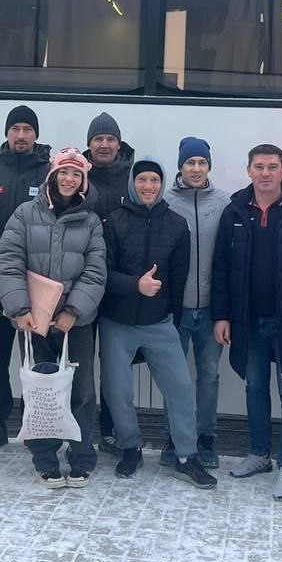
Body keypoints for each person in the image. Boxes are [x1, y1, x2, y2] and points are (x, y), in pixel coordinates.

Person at [211, 144, 282, 502]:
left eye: (272, 167)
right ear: (249, 170)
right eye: (259, 166)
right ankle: (259, 454)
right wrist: (222, 315)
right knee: (255, 388)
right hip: (248, 321)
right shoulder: (234, 211)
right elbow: (221, 269)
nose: (265, 173)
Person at [99, 156, 218, 488]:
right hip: (118, 322)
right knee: (118, 391)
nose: (148, 186)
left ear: (162, 184)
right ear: (132, 184)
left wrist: (171, 318)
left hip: (159, 323)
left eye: (154, 180)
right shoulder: (113, 222)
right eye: (142, 180)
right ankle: (130, 447)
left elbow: (179, 279)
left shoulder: (177, 224)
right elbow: (102, 274)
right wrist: (134, 285)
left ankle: (186, 457)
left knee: (180, 389)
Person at [0, 147, 107, 489]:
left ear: (83, 181)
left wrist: (74, 311)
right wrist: (20, 309)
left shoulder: (91, 221)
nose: (69, 179)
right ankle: (44, 458)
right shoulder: (25, 214)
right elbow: (8, 261)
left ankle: (82, 455)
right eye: (63, 173)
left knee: (81, 392)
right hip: (34, 321)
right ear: (52, 176)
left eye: (76, 174)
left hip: (76, 324)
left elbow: (95, 271)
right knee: (41, 391)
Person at [0, 105, 51, 457]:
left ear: (36, 135)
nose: (21, 135)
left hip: (38, 287)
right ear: (6, 133)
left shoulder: (50, 173)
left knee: (36, 358)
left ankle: (37, 426)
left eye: (27, 129)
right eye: (15, 129)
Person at [161, 136, 230, 470]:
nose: (197, 168)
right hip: (176, 309)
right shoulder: (166, 201)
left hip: (211, 310)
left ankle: (205, 438)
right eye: (191, 162)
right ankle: (174, 437)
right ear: (181, 166)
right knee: (174, 378)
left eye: (202, 162)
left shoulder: (223, 202)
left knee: (209, 375)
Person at [82, 111, 135, 456]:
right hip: (81, 283)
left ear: (119, 144)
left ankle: (111, 430)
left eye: (110, 139)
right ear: (89, 144)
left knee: (115, 364)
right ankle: (80, 429)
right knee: (81, 361)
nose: (104, 144)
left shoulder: (132, 178)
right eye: (98, 139)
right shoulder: (75, 175)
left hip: (118, 285)